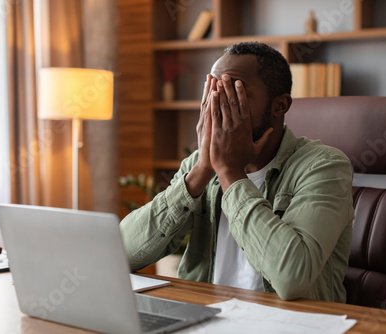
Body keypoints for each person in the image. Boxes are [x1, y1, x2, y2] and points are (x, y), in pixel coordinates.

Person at [120, 41, 354, 302]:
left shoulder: (323, 167)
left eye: (233, 91)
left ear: (280, 106)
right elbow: (121, 254)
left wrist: (230, 172)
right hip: (206, 319)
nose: (218, 104)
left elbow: (291, 278)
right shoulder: (200, 166)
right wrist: (202, 171)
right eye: (213, 90)